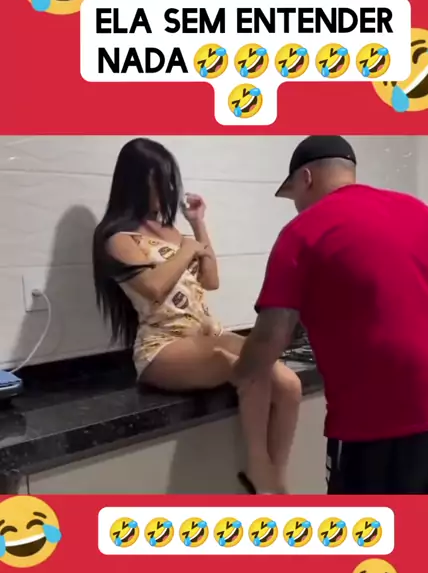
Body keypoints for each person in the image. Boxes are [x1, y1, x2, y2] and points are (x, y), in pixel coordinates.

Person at [234, 135, 428, 494]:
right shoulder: (418, 210)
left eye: (294, 196)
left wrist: (242, 372)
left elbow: (272, 335)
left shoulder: (302, 231)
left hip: (383, 419)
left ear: (306, 178)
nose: (297, 207)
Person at [92, 137, 301, 494]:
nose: (167, 189)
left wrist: (197, 224)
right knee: (239, 364)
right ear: (135, 182)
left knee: (290, 385)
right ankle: (258, 468)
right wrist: (187, 248)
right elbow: (154, 288)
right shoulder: (118, 238)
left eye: (169, 180)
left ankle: (274, 478)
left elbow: (211, 280)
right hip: (162, 347)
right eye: (158, 181)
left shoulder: (175, 232)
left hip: (205, 335)